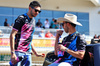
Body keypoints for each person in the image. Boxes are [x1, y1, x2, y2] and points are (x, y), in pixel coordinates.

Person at [10, 1, 44, 66]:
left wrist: (36, 53)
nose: (37, 13)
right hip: (18, 52)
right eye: (36, 10)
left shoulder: (34, 21)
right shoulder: (21, 19)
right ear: (29, 8)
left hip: (28, 53)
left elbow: (29, 39)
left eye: (39, 11)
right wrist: (12, 53)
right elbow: (12, 35)